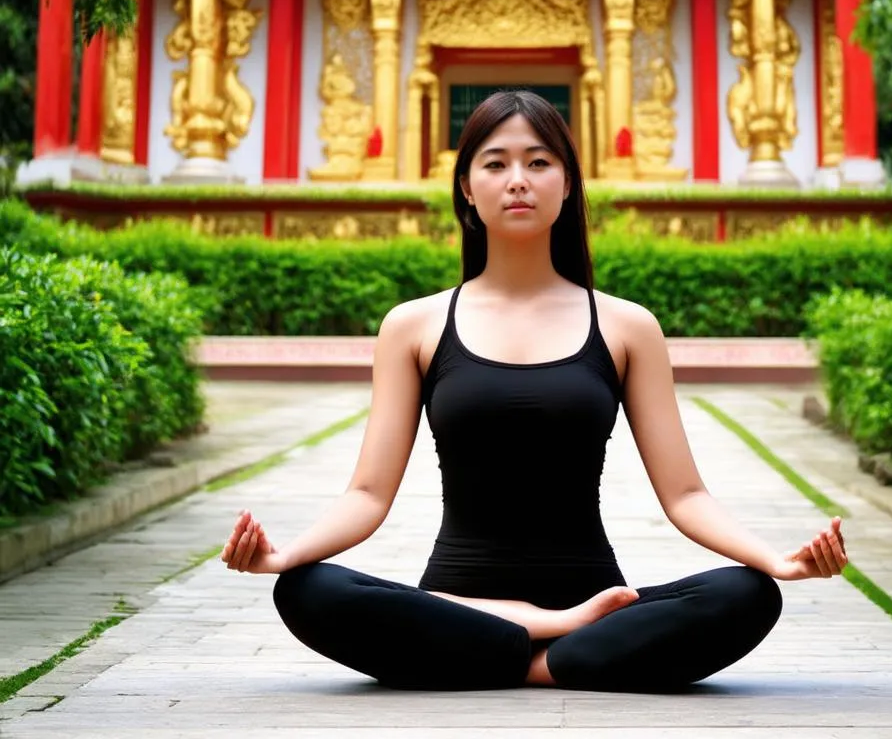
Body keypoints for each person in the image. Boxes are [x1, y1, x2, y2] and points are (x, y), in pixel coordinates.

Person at [220, 90, 848, 692]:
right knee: (306, 589)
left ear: (567, 182)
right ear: (467, 187)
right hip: (458, 602)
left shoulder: (628, 326)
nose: (517, 178)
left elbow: (685, 495)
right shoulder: (413, 326)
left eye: (538, 162)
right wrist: (285, 555)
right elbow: (366, 493)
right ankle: (558, 644)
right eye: (495, 163)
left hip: (599, 601)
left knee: (747, 594)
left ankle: (514, 655)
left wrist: (777, 561)